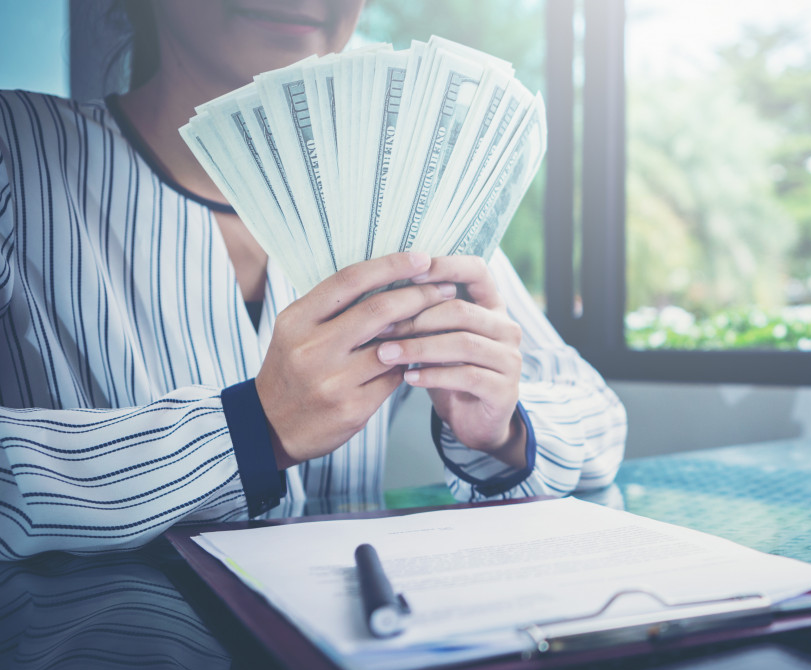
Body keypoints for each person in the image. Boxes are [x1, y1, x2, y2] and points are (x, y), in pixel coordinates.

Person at [0, 0, 626, 559]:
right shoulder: (18, 153)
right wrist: (249, 432)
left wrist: (504, 429)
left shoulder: (412, 191)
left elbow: (597, 412)